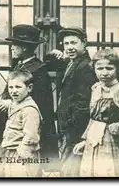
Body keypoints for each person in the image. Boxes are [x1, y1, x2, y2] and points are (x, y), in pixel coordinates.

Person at [0, 24, 58, 170]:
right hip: (13, 129)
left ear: (25, 48)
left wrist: (9, 103)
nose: (11, 48)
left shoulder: (38, 70)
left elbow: (39, 103)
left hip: (25, 131)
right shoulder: (19, 65)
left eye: (15, 45)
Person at [73, 49, 119, 177]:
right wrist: (85, 140)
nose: (104, 73)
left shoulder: (118, 92)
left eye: (109, 68)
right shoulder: (96, 88)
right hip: (93, 140)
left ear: (117, 70)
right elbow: (93, 118)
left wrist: (112, 128)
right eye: (100, 68)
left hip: (110, 143)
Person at [45, 26, 98, 177]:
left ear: (84, 43)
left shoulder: (85, 67)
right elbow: (48, 64)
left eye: (73, 43)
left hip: (75, 129)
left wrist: (71, 126)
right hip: (68, 127)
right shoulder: (72, 63)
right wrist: (56, 56)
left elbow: (83, 103)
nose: (69, 47)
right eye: (66, 44)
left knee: (71, 171)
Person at [0, 69, 43, 177]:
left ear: (29, 88)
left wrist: (22, 151)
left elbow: (31, 135)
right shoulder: (17, 103)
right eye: (11, 87)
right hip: (11, 150)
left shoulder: (29, 109)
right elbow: (12, 104)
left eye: (18, 87)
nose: (14, 91)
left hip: (23, 154)